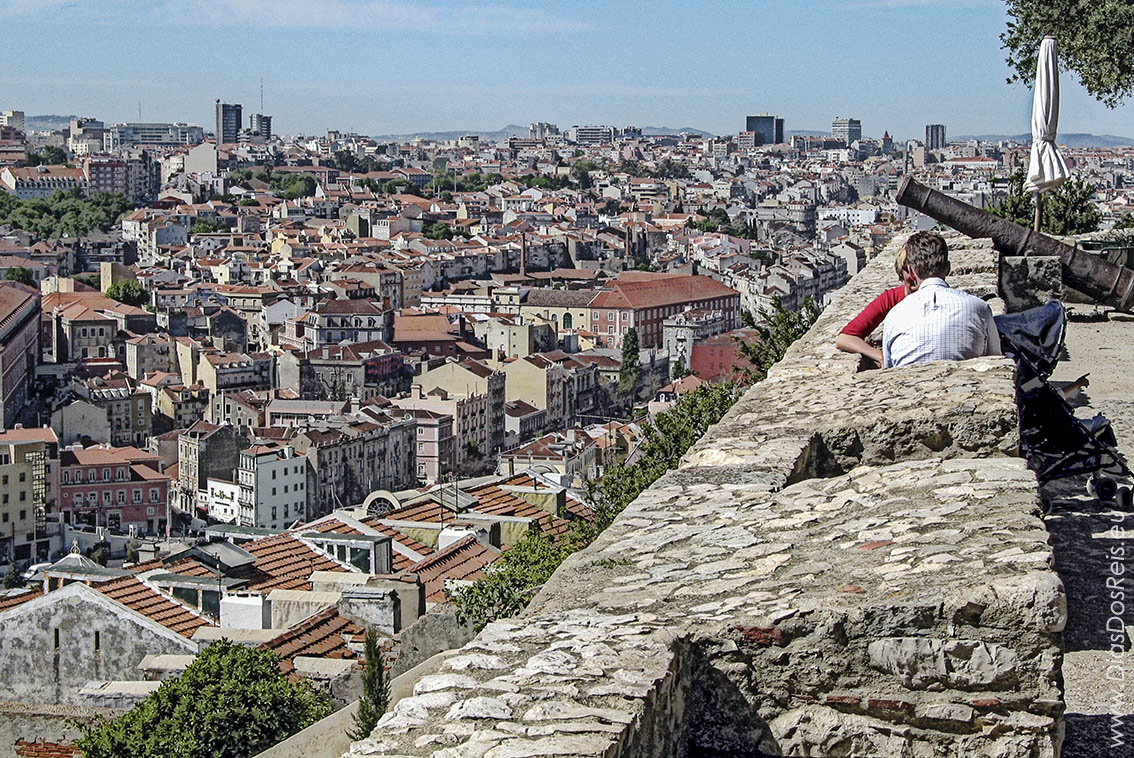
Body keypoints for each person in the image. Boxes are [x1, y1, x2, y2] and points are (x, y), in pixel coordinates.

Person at [882, 231, 1001, 368]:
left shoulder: (894, 315)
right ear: (948, 268)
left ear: (912, 272)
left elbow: (889, 368)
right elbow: (995, 360)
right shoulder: (979, 308)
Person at [834, 246, 916, 366]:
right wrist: (881, 356)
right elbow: (845, 338)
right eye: (908, 270)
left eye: (918, 269)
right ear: (900, 274)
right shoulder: (892, 298)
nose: (914, 276)